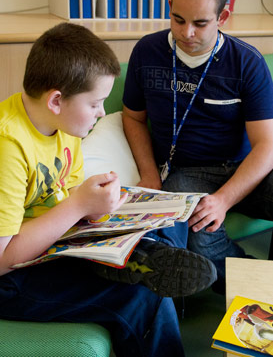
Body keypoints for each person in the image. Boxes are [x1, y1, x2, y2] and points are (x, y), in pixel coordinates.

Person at [0, 22, 217, 357]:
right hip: (9, 278)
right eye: (95, 103)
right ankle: (122, 264)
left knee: (164, 229)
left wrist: (95, 208)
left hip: (49, 248)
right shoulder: (8, 145)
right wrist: (77, 207)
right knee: (141, 296)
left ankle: (124, 257)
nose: (102, 112)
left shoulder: (62, 126)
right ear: (56, 100)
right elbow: (2, 260)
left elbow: (65, 199)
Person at [122, 0, 273, 293]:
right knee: (202, 244)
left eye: (200, 23)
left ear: (223, 16)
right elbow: (133, 118)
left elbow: (267, 146)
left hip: (244, 170)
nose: (186, 32)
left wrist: (223, 199)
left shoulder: (247, 62)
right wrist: (149, 174)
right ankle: (258, 284)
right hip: (188, 175)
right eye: (178, 19)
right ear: (170, 7)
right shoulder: (147, 53)